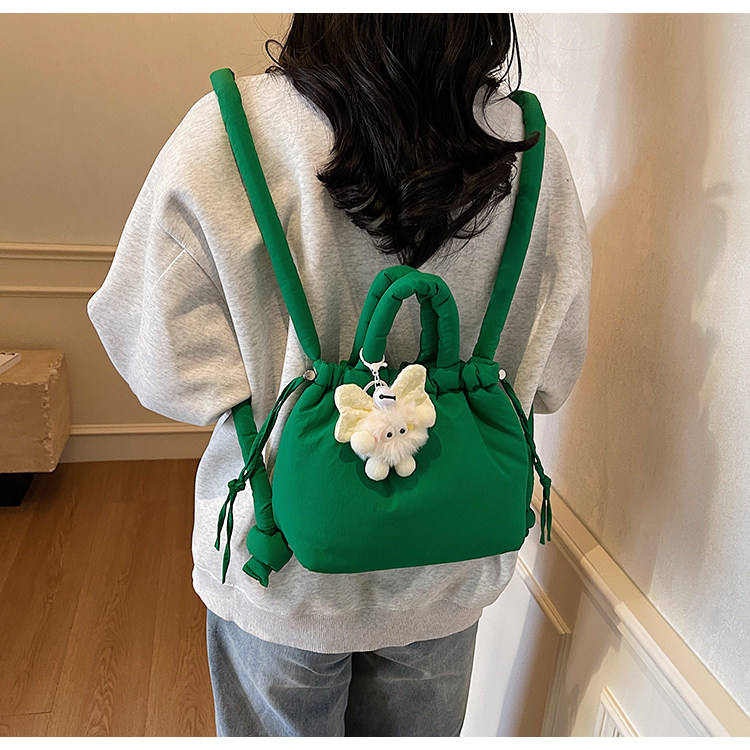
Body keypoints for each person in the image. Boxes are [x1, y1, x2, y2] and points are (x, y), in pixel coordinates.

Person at [87, 13, 591, 737]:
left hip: (281, 570)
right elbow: (551, 375)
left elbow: (156, 353)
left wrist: (262, 386)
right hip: (446, 569)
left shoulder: (230, 132)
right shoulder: (526, 150)